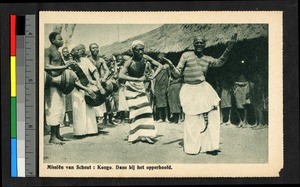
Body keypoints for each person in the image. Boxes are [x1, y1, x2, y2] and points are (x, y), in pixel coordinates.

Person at [164, 34, 237, 155]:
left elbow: (220, 62)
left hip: (203, 88)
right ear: (193, 44)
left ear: (205, 45)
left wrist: (229, 48)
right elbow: (177, 74)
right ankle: (192, 147)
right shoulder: (186, 55)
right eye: (197, 42)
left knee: (213, 114)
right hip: (189, 89)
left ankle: (209, 145)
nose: (199, 44)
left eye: (201, 43)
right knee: (192, 118)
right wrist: (171, 66)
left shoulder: (207, 58)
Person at [119, 40, 163, 144]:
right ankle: (134, 135)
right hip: (130, 87)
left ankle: (147, 135)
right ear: (133, 50)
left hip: (140, 87)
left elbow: (160, 66)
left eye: (142, 49)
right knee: (135, 111)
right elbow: (120, 75)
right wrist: (138, 79)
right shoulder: (129, 61)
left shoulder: (146, 58)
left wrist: (153, 76)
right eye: (138, 49)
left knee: (146, 110)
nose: (140, 52)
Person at [70, 45, 103, 138]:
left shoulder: (85, 60)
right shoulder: (70, 63)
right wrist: (86, 89)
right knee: (78, 108)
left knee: (89, 108)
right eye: (78, 49)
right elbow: (73, 80)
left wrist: (98, 82)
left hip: (88, 86)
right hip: (77, 88)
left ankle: (91, 130)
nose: (81, 51)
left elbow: (94, 71)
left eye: (82, 49)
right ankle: (79, 132)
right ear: (72, 52)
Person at [44, 32, 71, 144]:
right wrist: (64, 66)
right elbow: (46, 66)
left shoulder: (58, 53)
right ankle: (52, 137)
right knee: (54, 109)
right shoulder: (48, 51)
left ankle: (58, 135)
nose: (62, 41)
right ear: (53, 40)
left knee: (60, 109)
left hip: (60, 84)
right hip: (52, 84)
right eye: (59, 39)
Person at [87, 43, 110, 125]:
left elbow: (107, 70)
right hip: (91, 81)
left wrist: (104, 78)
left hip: (100, 80)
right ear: (90, 50)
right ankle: (94, 122)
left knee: (106, 98)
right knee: (93, 100)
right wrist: (92, 81)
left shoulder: (101, 60)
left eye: (96, 47)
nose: (95, 49)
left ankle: (106, 120)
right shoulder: (88, 60)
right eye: (93, 48)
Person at [153, 53, 170, 123]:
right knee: (158, 103)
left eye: (161, 58)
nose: (159, 60)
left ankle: (166, 117)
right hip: (157, 86)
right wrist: (153, 87)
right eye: (158, 59)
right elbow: (154, 78)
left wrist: (168, 86)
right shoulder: (156, 67)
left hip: (164, 86)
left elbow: (169, 77)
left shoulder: (167, 66)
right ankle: (160, 118)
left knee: (165, 103)